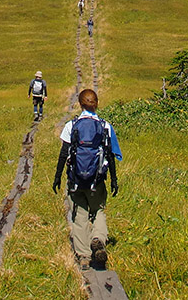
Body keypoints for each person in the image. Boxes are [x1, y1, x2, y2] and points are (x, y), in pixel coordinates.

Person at [53, 89, 119, 270]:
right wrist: (113, 179)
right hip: (97, 180)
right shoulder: (105, 126)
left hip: (75, 180)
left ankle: (83, 256)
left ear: (80, 104)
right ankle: (98, 239)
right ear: (96, 103)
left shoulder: (71, 125)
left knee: (79, 215)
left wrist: (58, 177)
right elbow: (111, 155)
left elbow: (63, 154)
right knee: (98, 210)